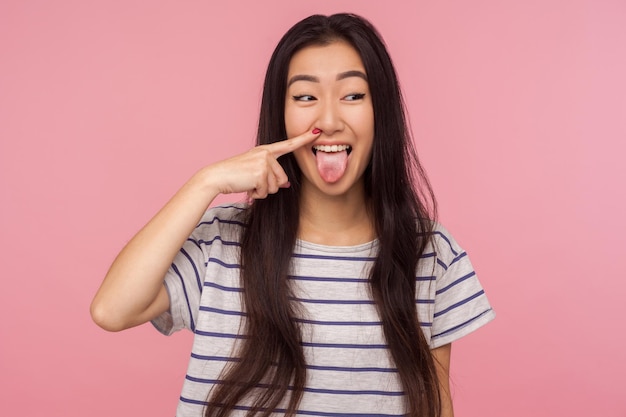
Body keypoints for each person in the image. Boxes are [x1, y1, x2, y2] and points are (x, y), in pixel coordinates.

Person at [91, 13, 495, 417]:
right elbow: (112, 310)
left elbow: (435, 407)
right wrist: (205, 182)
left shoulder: (432, 254)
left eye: (353, 95)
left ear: (381, 111)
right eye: (305, 97)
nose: (330, 121)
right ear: (280, 112)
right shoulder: (221, 241)